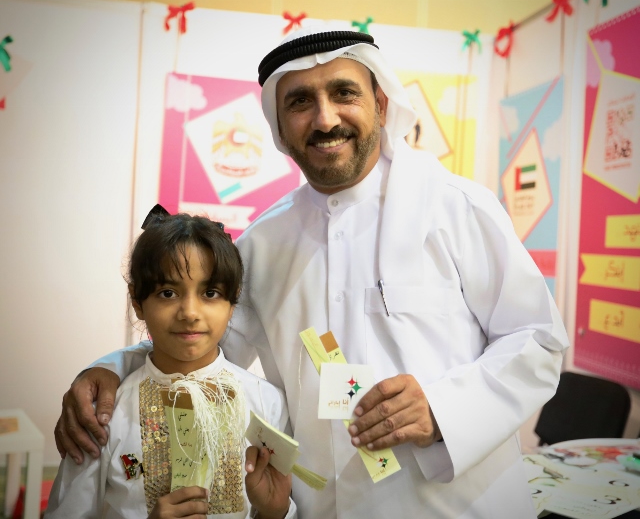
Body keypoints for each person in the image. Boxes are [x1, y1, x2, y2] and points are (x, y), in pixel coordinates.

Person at [55, 26, 569, 518]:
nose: (325, 120)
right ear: (280, 127)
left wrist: (441, 410)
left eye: (344, 93)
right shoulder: (263, 244)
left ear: (381, 104)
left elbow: (539, 339)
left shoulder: (456, 208)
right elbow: (199, 347)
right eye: (300, 102)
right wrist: (110, 371)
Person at [46, 210, 296, 519]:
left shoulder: (267, 403)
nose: (189, 312)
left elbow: (280, 503)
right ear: (137, 302)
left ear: (233, 302)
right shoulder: (103, 415)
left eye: (210, 293)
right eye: (168, 293)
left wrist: (276, 512)